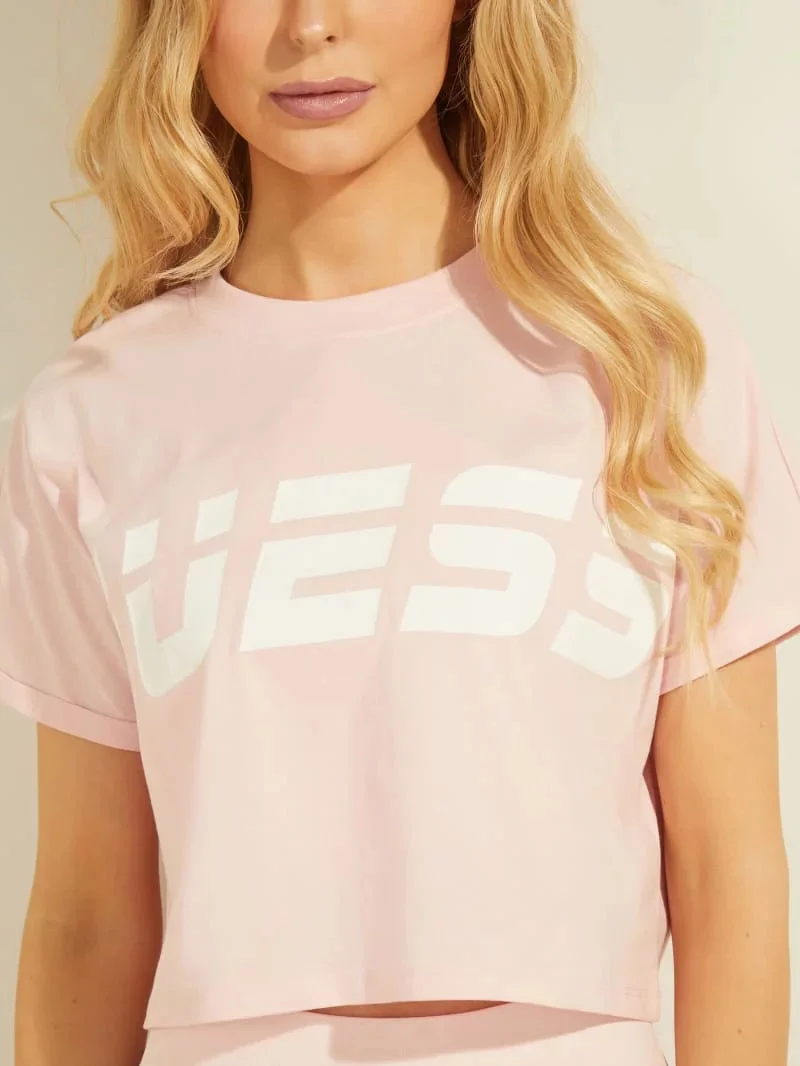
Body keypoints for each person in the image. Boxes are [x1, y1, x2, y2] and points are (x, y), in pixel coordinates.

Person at [1, 1, 798, 1064]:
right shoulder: (93, 414)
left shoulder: (643, 357)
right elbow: (86, 913)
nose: (310, 26)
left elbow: (728, 866)